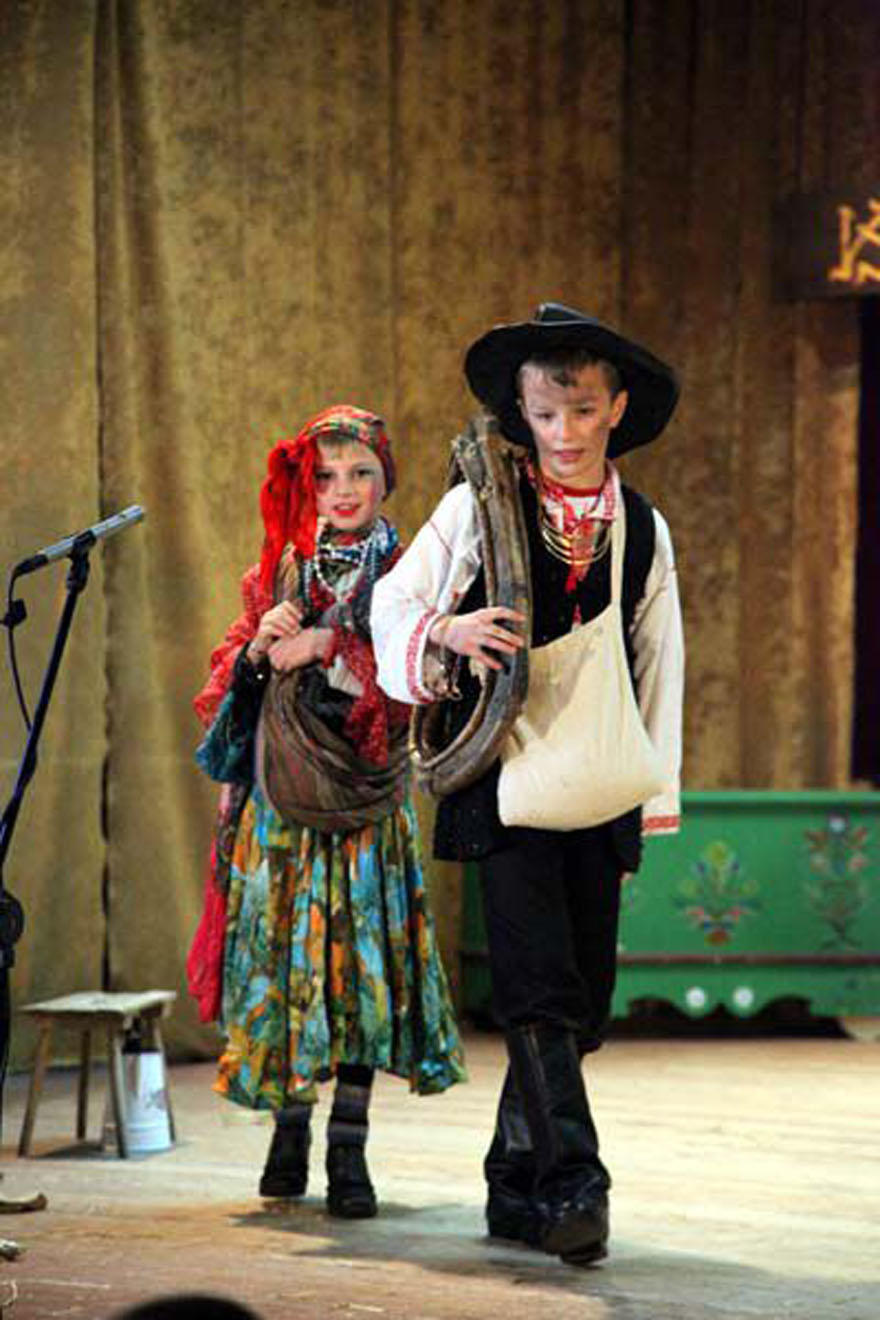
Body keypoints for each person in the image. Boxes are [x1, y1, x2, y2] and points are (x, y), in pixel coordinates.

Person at [371, 303, 684, 1265]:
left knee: (582, 1001)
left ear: (616, 408)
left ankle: (513, 1182)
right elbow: (395, 601)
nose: (563, 433)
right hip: (506, 779)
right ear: (522, 411)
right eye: (545, 414)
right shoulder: (481, 506)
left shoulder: (642, 526)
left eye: (582, 412)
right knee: (538, 989)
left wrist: (655, 791)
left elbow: (659, 660)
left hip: (600, 778)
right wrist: (449, 631)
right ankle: (575, 1185)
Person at [187, 404, 466, 1220]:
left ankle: (350, 1145)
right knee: (289, 967)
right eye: (326, 476)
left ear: (386, 479)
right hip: (283, 805)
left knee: (359, 975)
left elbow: (423, 679)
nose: (343, 490)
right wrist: (259, 649)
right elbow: (232, 681)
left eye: (360, 473)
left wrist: (331, 644)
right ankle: (288, 1133)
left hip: (366, 803)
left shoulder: (412, 573)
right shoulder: (278, 570)